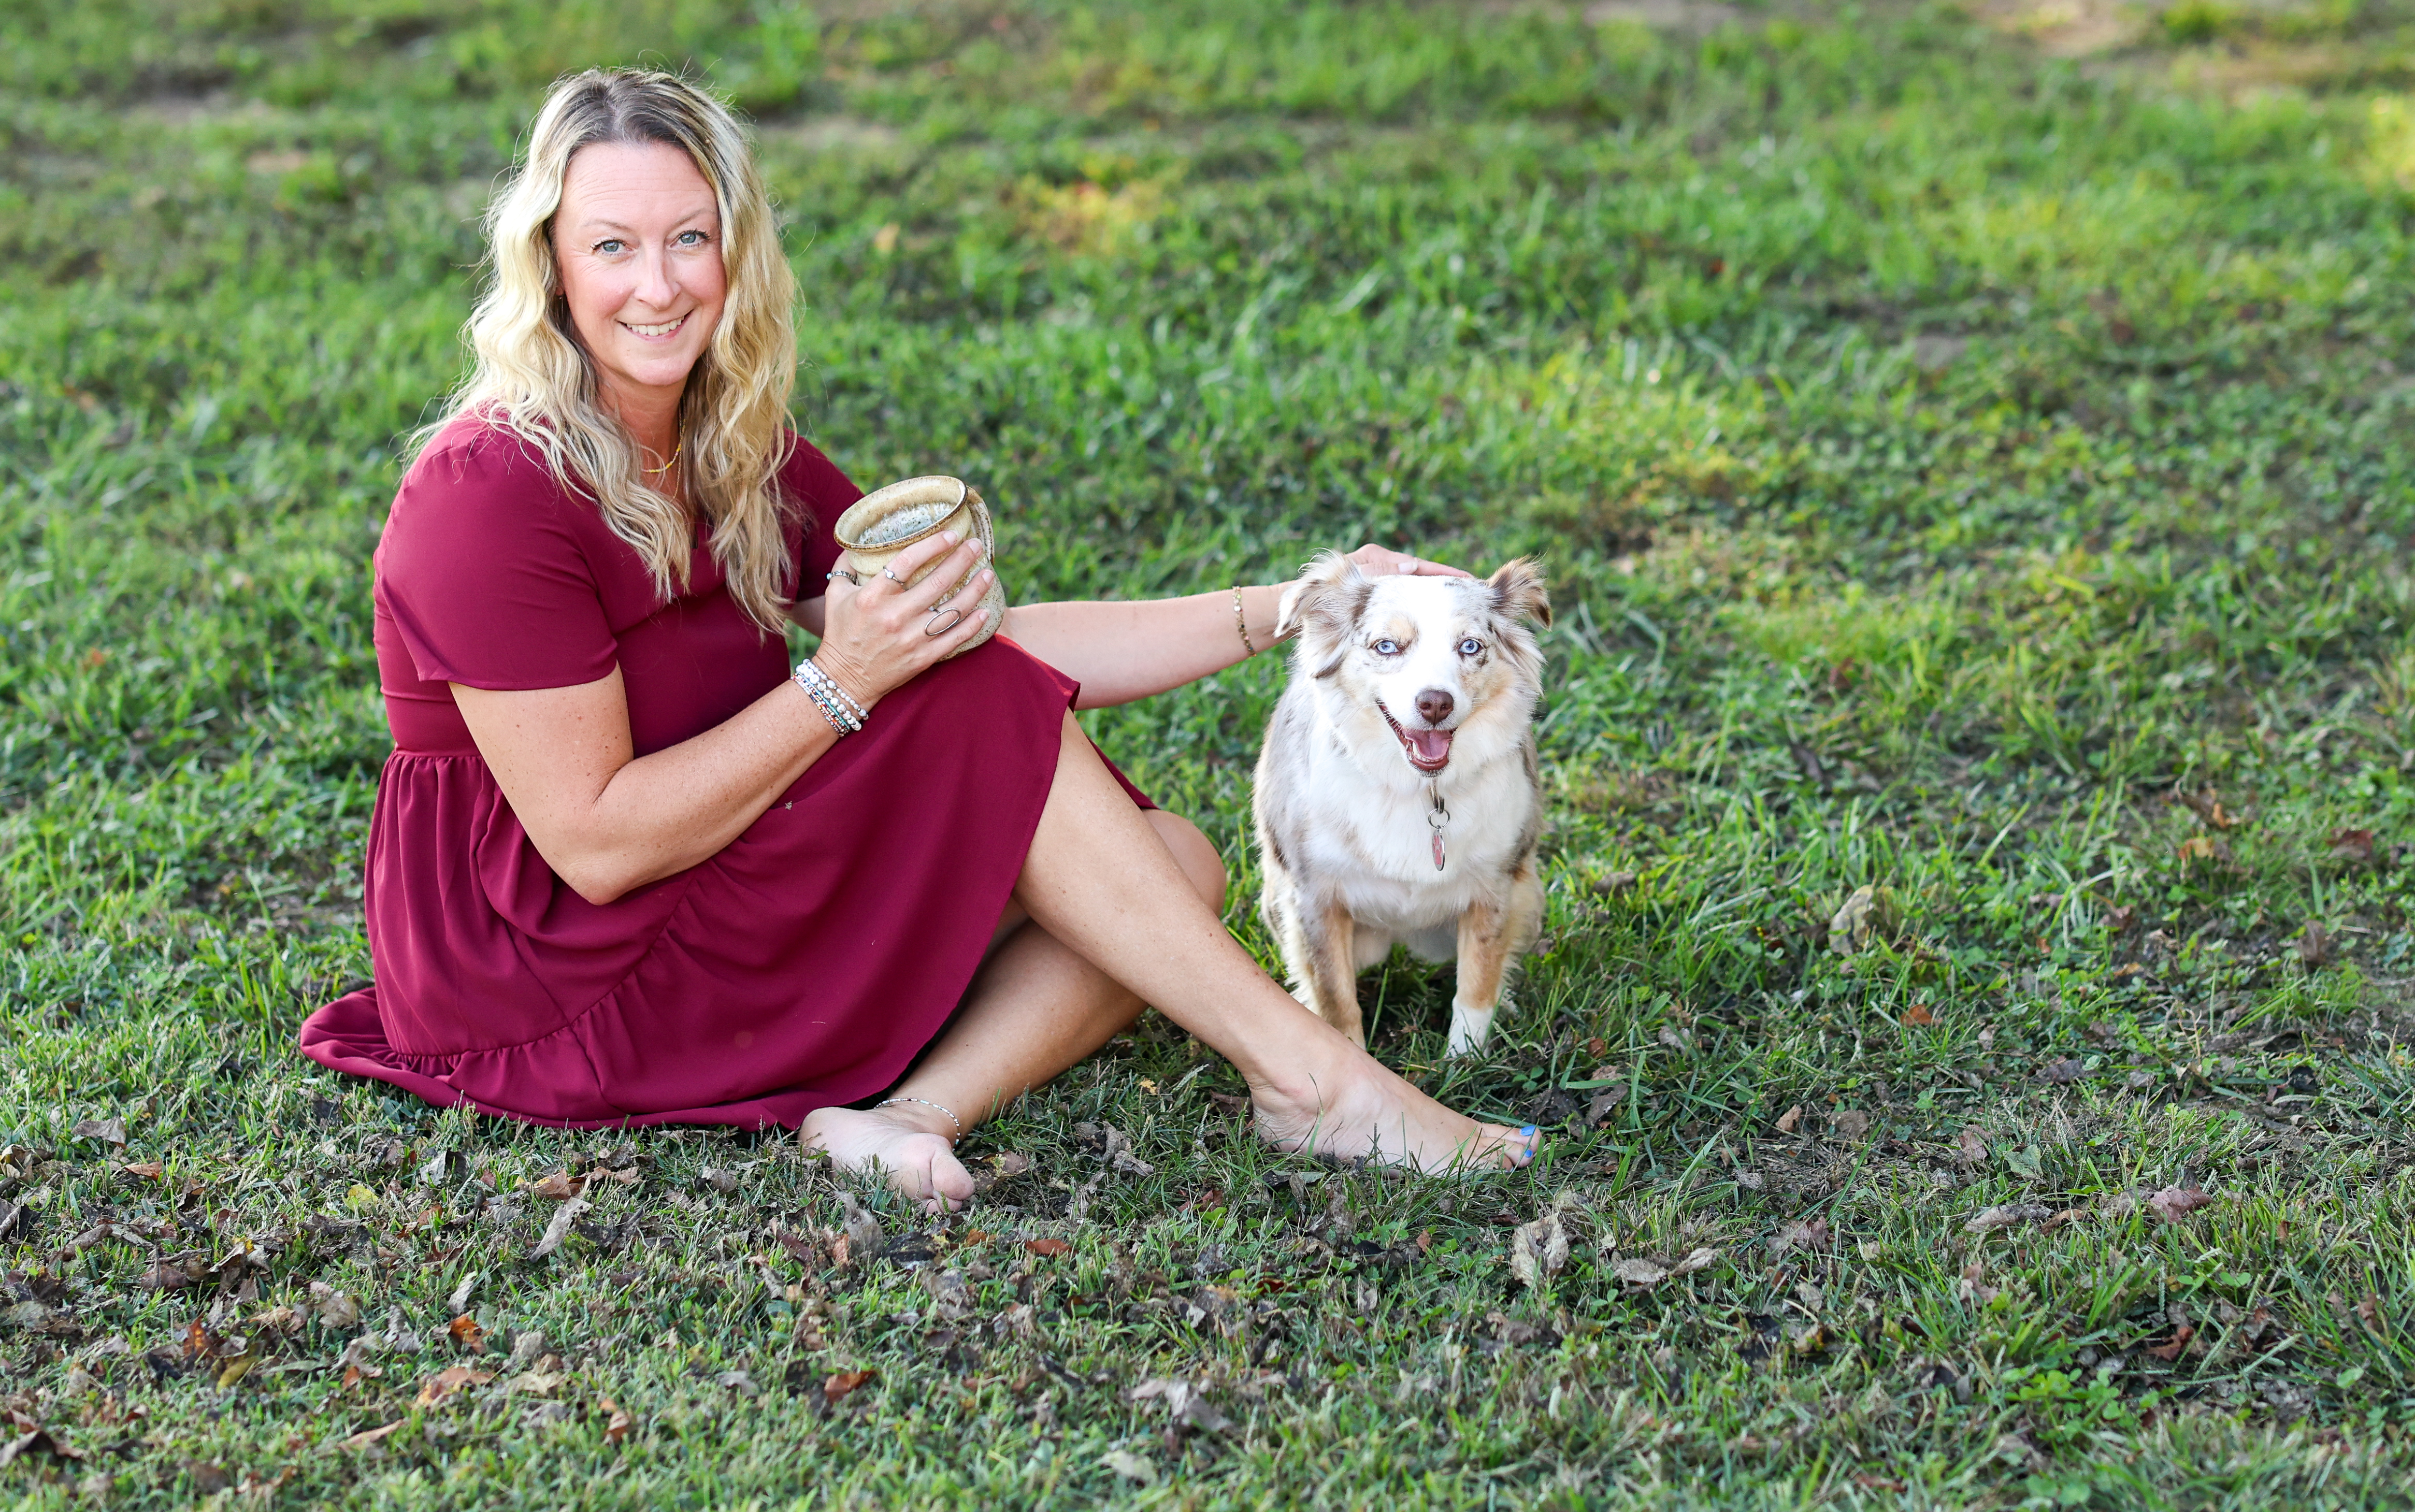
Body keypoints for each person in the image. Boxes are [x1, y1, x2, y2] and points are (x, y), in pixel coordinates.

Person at [298, 69, 1537, 1202]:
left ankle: (902, 1117)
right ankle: (1315, 1080)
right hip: (551, 968)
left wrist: (1300, 602)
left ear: (736, 249)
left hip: (709, 866)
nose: (659, 282)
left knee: (1170, 864)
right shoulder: (488, 494)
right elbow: (598, 842)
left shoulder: (725, 443)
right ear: (551, 263)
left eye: (690, 238)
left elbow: (984, 641)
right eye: (612, 245)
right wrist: (844, 678)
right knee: (972, 717)